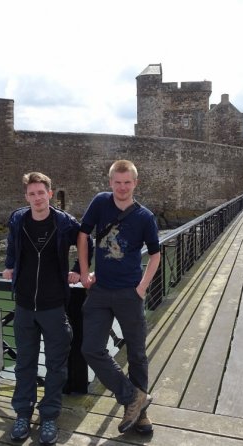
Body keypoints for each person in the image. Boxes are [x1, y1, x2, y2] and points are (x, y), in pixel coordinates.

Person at [2, 172, 92, 445]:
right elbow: (11, 245)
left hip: (54, 306)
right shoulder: (18, 219)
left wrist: (79, 270)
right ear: (26, 196)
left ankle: (50, 416)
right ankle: (22, 414)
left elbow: (88, 242)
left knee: (56, 366)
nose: (37, 198)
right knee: (24, 365)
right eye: (32, 194)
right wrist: (9, 265)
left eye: (41, 193)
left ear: (50, 194)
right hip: (25, 306)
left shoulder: (64, 223)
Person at [77, 159, 161, 434]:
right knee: (91, 348)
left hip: (129, 292)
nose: (122, 187)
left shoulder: (145, 216)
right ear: (110, 182)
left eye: (127, 182)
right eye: (117, 182)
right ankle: (133, 396)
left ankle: (139, 414)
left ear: (135, 183)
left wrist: (142, 288)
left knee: (137, 353)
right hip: (100, 290)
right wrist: (84, 270)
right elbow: (82, 234)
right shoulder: (101, 202)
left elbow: (155, 255)